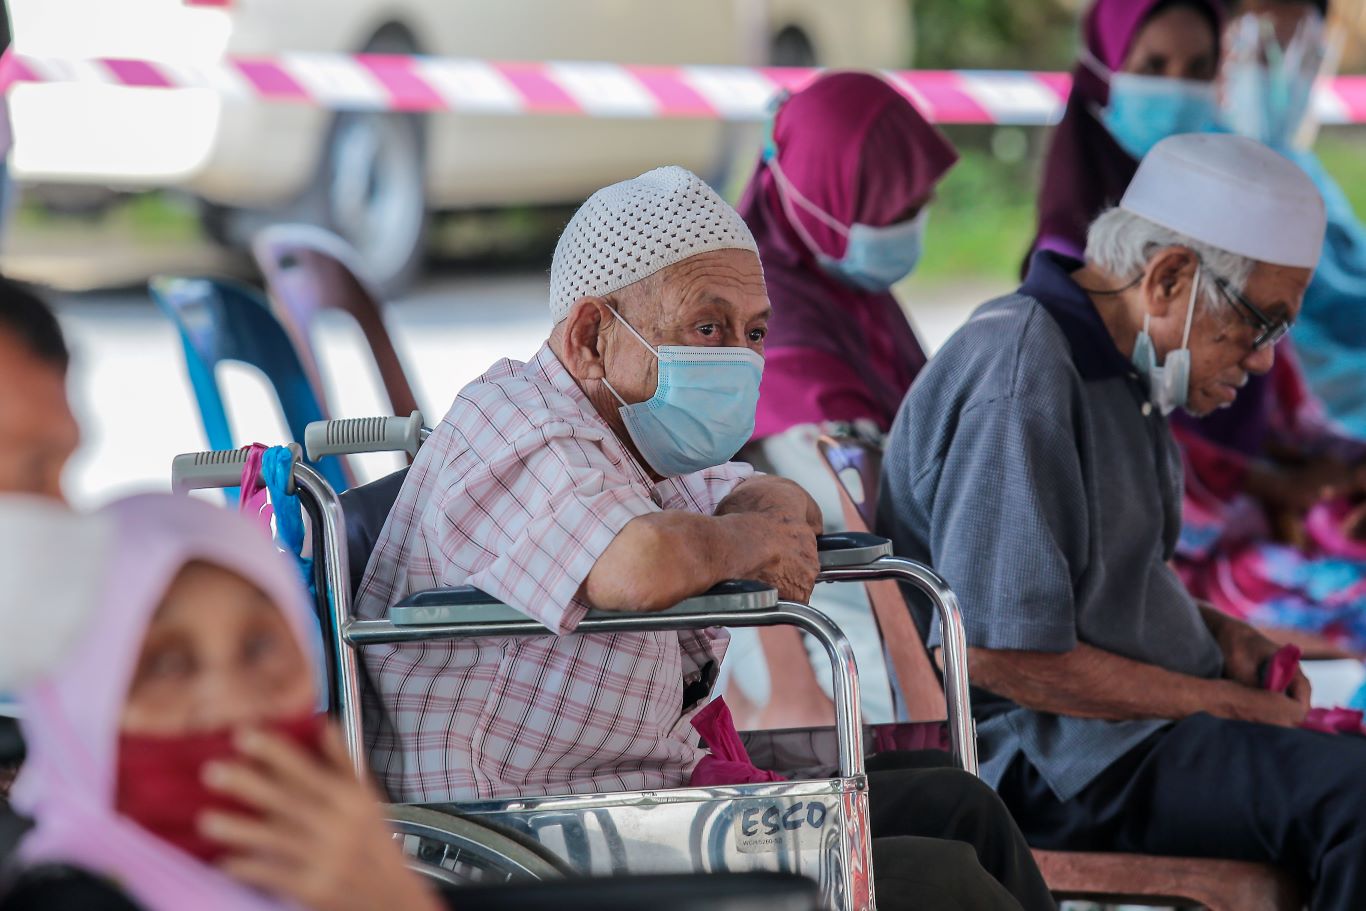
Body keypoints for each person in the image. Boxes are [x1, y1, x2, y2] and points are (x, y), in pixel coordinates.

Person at [356, 166, 1055, 911]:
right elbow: (639, 564)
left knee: (959, 805)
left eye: (754, 333)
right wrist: (751, 538)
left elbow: (780, 500)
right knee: (938, 885)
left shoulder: (635, 434)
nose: (737, 357)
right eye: (708, 327)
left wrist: (753, 526)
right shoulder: (517, 425)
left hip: (636, 802)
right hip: (517, 835)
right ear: (593, 335)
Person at [880, 132, 1366, 907]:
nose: (1267, 359)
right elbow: (1000, 654)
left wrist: (1218, 634)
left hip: (1128, 737)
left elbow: (1109, 581)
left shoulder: (1119, 364)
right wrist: (1232, 704)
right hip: (1061, 759)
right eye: (1260, 324)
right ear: (1169, 277)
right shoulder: (1024, 376)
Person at [0, 493, 443, 911]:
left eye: (260, 646)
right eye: (165, 665)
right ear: (75, 702)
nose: (235, 704)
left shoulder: (343, 876)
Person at [718, 71, 959, 728]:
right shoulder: (770, 319)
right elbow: (855, 504)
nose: (914, 225)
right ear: (824, 204)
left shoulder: (848, 294)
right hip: (836, 659)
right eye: (897, 211)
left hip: (874, 620)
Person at [1219, 0, 1366, 438]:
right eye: (1263, 52)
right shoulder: (1205, 180)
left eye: (1305, 56)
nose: (1281, 75)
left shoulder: (1306, 174)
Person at [1031, 0, 1223, 263]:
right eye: (1152, 67)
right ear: (1102, 76)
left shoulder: (1232, 192)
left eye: (1199, 68)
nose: (1177, 91)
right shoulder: (1065, 251)